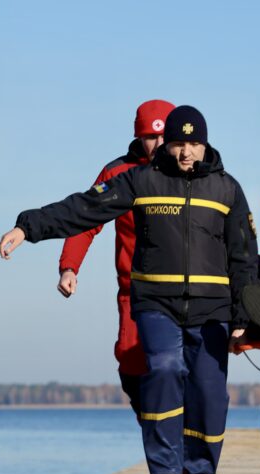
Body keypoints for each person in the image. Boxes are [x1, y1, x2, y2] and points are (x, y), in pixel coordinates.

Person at [0, 106, 258, 474]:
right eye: (177, 143)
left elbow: (244, 258)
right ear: (165, 145)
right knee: (163, 370)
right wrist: (27, 227)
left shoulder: (227, 190)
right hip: (156, 303)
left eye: (193, 144)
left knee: (209, 390)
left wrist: (244, 317)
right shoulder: (140, 180)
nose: (185, 152)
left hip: (213, 309)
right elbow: (83, 208)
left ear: (205, 145)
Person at [57, 99, 175, 424]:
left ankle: (176, 442)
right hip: (134, 292)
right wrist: (69, 266)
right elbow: (86, 219)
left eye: (164, 136)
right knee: (130, 361)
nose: (158, 145)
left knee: (178, 366)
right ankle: (152, 422)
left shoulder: (190, 171)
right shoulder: (118, 172)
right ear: (138, 137)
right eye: (150, 137)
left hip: (181, 292)